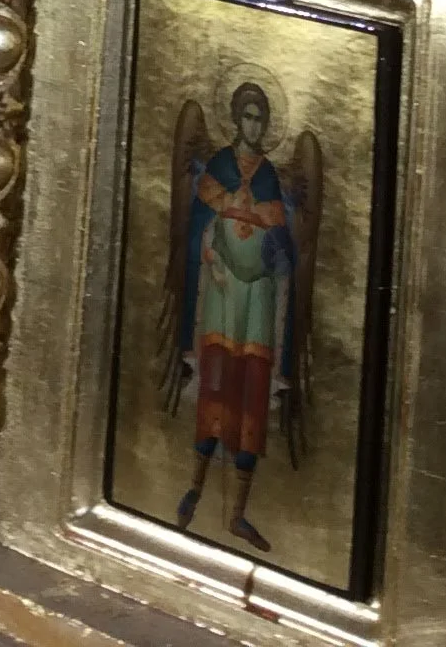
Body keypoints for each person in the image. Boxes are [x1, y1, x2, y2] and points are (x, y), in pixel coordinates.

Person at [174, 80, 294, 552]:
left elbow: (285, 246)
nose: (254, 125)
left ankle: (239, 514)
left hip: (259, 297)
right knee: (217, 384)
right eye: (247, 115)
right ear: (235, 119)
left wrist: (270, 255)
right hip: (222, 294)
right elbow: (200, 229)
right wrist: (211, 253)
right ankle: (195, 489)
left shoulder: (271, 179)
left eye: (260, 117)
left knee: (251, 391)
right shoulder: (220, 167)